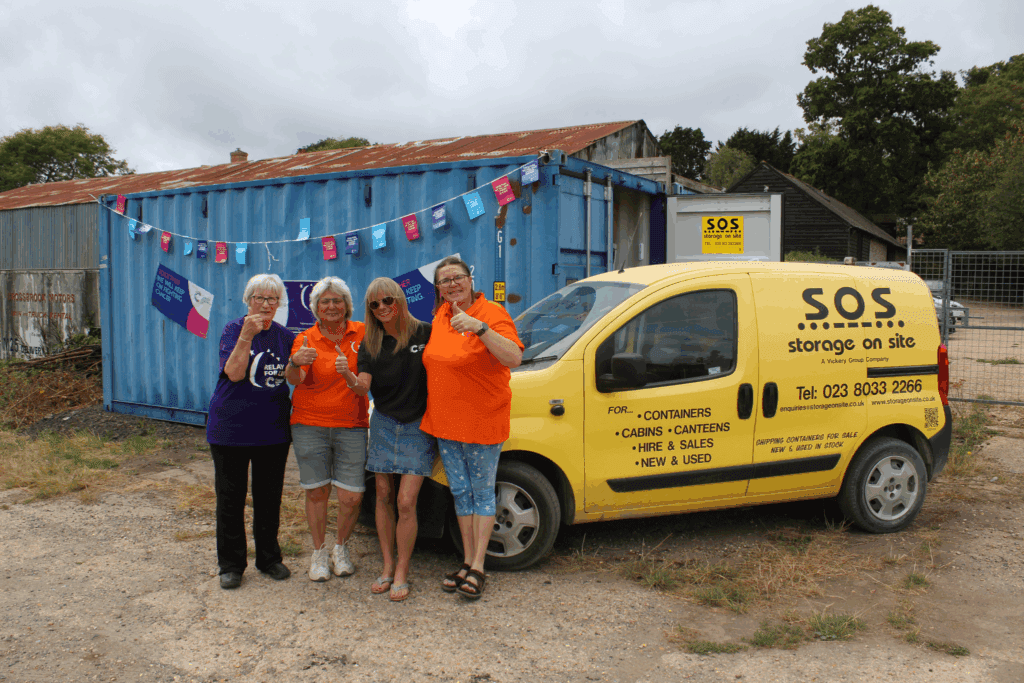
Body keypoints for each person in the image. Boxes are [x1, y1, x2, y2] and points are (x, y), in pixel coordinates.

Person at [420, 256, 524, 600]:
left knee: (481, 493)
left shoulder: (491, 312)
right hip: (446, 424)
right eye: (444, 281)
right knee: (460, 493)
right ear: (438, 288)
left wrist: (480, 328)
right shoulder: (440, 316)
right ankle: (466, 560)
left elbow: (513, 357)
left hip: (481, 422)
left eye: (456, 278)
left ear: (469, 279)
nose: (451, 285)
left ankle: (479, 566)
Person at [348, 277, 435, 602]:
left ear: (399, 299)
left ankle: (402, 570)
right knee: (383, 494)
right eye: (374, 304)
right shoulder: (370, 343)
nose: (382, 308)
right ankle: (386, 566)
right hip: (384, 423)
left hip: (418, 425)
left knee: (406, 501)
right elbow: (362, 385)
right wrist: (348, 376)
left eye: (388, 301)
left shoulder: (425, 332)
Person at [206, 273, 295, 590]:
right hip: (231, 428)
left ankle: (269, 558)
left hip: (272, 429)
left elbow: (295, 375)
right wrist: (246, 336)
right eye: (260, 298)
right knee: (230, 499)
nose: (267, 304)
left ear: (280, 303)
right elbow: (233, 372)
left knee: (269, 498)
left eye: (273, 299)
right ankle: (231, 564)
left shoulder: (285, 337)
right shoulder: (234, 329)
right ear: (248, 300)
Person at [285, 276, 369, 582]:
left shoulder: (363, 332)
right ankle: (319, 552)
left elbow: (367, 380)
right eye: (325, 301)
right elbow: (293, 379)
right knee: (317, 492)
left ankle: (340, 547)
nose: (331, 306)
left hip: (352, 424)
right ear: (316, 308)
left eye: (337, 301)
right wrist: (294, 361)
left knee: (351, 497)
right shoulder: (305, 338)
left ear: (347, 305)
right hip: (310, 424)